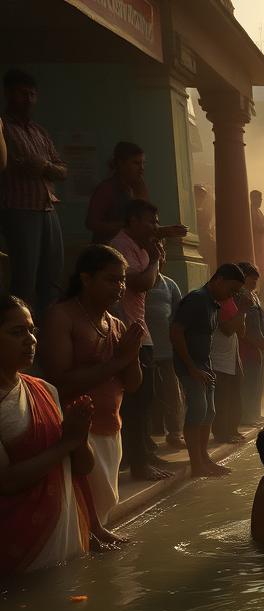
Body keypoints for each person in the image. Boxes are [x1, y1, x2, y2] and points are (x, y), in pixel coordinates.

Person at [38, 245, 143, 529]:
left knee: (102, 508)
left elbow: (132, 385)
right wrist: (119, 359)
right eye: (111, 279)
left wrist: (131, 357)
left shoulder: (117, 324)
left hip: (111, 428)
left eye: (122, 280)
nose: (120, 287)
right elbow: (60, 382)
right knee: (81, 514)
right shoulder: (62, 316)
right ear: (86, 279)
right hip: (77, 430)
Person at [0, 294, 93, 574]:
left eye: (32, 330)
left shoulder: (45, 389)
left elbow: (82, 467)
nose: (30, 340)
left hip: (67, 537)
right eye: (17, 332)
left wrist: (79, 437)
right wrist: (67, 443)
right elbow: (6, 482)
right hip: (19, 547)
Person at [110, 199, 172, 481]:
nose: (154, 227)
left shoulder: (139, 247)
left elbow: (154, 281)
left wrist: (154, 255)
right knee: (135, 401)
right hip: (126, 331)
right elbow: (141, 283)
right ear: (133, 221)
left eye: (156, 222)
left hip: (139, 329)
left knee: (146, 398)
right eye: (150, 221)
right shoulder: (121, 245)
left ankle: (142, 455)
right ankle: (137, 463)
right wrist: (156, 259)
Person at [0, 69, 66, 321]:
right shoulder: (4, 127)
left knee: (51, 278)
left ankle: (48, 335)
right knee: (25, 277)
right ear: (8, 94)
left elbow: (62, 169)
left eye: (32, 94)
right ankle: (19, 333)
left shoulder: (39, 132)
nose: (27, 99)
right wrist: (35, 166)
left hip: (48, 208)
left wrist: (45, 167)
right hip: (18, 208)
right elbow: (13, 164)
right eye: (22, 94)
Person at [170, 263, 245, 477]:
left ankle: (204, 458)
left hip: (205, 366)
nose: (231, 295)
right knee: (197, 412)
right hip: (190, 366)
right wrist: (191, 367)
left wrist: (206, 366)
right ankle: (197, 463)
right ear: (218, 279)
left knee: (209, 412)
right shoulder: (197, 299)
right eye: (231, 289)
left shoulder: (214, 303)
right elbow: (176, 332)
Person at [85, 141, 188, 245]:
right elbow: (91, 223)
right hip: (109, 251)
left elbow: (145, 220)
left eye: (143, 163)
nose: (141, 168)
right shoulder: (107, 188)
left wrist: (166, 231)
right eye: (136, 163)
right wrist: (126, 227)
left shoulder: (139, 187)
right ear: (121, 163)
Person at [145, 251, 184, 450]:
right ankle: (148, 437)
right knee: (146, 396)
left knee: (172, 393)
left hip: (168, 351)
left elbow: (179, 317)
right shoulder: (140, 283)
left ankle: (175, 433)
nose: (158, 260)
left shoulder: (170, 284)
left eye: (161, 256)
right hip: (144, 350)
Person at [210, 277, 246, 444]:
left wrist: (242, 311)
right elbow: (227, 329)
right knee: (222, 399)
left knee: (234, 397)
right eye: (233, 289)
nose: (235, 293)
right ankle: (221, 433)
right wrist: (242, 311)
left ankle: (232, 430)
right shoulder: (217, 302)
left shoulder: (233, 302)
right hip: (218, 359)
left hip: (232, 357)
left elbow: (241, 332)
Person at [237, 261, 264, 426]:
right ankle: (247, 417)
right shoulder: (240, 296)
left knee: (259, 385)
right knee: (249, 385)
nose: (254, 282)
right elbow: (246, 329)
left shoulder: (254, 296)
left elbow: (263, 323)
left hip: (261, 349)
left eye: (255, 279)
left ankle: (255, 414)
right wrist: (263, 344)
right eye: (251, 279)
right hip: (248, 349)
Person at [194, 185, 216, 270]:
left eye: (203, 197)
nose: (201, 199)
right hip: (198, 241)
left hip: (205, 240)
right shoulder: (191, 211)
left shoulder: (204, 212)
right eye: (199, 196)